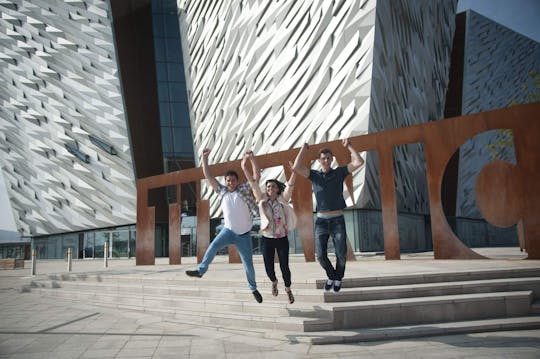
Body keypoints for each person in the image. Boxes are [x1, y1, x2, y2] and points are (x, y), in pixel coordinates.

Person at [186, 148, 263, 303]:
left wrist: (252, 159)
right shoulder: (221, 191)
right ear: (226, 181)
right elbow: (208, 175)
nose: (230, 183)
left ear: (237, 181)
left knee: (248, 264)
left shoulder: (243, 189)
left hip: (243, 235)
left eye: (233, 180)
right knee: (212, 247)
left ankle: (253, 288)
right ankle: (201, 271)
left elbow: (256, 177)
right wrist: (204, 158)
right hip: (227, 231)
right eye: (228, 180)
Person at [292, 139, 364, 293]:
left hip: (337, 219)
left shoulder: (339, 172)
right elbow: (297, 167)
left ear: (332, 159)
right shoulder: (314, 175)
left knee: (341, 254)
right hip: (321, 221)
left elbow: (359, 161)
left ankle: (338, 278)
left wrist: (349, 146)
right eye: (323, 158)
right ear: (319, 160)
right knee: (320, 255)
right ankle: (332, 276)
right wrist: (303, 149)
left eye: (328, 158)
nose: (325, 160)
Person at [241, 151, 297, 304]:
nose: (269, 189)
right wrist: (246, 163)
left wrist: (294, 173)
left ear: (277, 189)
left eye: (272, 186)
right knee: (268, 267)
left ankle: (288, 288)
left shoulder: (283, 199)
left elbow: (291, 185)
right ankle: (274, 282)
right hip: (267, 238)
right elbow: (253, 182)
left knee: (285, 266)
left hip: (282, 238)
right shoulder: (262, 200)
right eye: (268, 187)